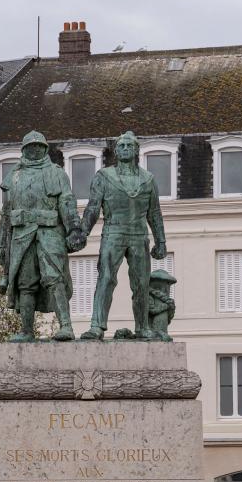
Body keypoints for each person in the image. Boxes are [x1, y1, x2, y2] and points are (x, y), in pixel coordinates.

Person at [0, 131, 85, 341]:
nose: (34, 150)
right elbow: (6, 214)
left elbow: (67, 201)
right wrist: (1, 245)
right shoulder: (14, 176)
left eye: (39, 146)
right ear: (24, 149)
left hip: (50, 231)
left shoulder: (56, 172)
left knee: (55, 278)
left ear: (45, 149)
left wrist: (74, 229)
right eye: (30, 146)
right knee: (25, 283)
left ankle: (66, 326)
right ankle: (26, 331)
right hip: (21, 233)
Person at [80, 131, 167, 340]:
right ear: (116, 151)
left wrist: (161, 241)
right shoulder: (104, 176)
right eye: (122, 146)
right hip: (113, 231)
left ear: (137, 150)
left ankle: (142, 327)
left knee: (141, 283)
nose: (126, 148)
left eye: (129, 145)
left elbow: (154, 213)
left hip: (139, 234)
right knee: (106, 278)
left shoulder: (148, 179)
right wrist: (82, 233)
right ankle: (97, 326)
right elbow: (92, 209)